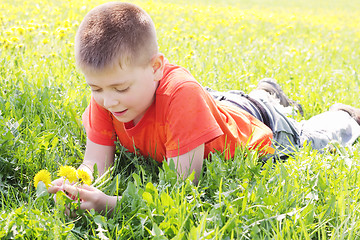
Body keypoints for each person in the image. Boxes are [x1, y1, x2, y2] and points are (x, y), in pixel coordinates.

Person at [48, 2, 360, 215]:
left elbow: (180, 188)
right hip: (218, 105)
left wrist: (112, 204)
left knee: (309, 138)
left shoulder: (180, 95)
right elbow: (96, 165)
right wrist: (79, 184)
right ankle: (266, 93)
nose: (109, 100)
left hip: (255, 128)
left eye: (121, 88)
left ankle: (344, 117)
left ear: (157, 67)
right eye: (96, 89)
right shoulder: (107, 93)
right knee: (221, 104)